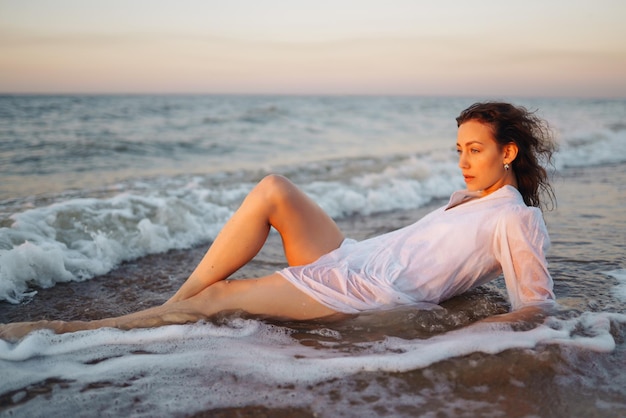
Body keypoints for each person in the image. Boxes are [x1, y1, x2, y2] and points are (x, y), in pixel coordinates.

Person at [0, 102, 557, 341]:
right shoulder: (471, 198)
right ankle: (176, 307)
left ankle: (75, 335)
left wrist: (456, 337)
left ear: (507, 153)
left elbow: (535, 305)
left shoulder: (516, 219)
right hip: (351, 257)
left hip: (366, 290)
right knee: (273, 189)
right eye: (458, 148)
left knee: (221, 299)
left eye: (475, 150)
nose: (462, 161)